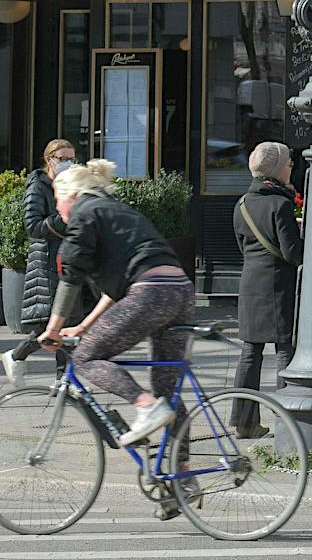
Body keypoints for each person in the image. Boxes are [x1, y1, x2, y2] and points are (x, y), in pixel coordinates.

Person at [39, 159, 194, 447]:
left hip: (151, 293)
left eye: (58, 201)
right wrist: (85, 325)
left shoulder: (84, 214)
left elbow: (71, 277)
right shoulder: (118, 211)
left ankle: (144, 406)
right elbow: (117, 286)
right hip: (180, 290)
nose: (58, 211)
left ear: (71, 195)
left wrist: (53, 329)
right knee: (167, 389)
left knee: (85, 358)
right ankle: (181, 475)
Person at [231, 141, 302, 436]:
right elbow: (292, 253)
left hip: (250, 285)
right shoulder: (280, 204)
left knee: (250, 353)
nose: (291, 168)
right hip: (278, 287)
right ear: (275, 170)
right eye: (288, 164)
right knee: (284, 350)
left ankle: (245, 423)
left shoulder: (243, 203)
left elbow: (243, 245)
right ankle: (288, 424)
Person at [1, 138, 77, 383]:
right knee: (50, 322)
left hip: (67, 257)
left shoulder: (70, 185)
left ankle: (62, 379)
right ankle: (17, 355)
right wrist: (62, 218)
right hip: (45, 259)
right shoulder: (38, 185)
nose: (67, 163)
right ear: (49, 159)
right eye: (62, 158)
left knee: (65, 319)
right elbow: (32, 226)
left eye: (71, 159)